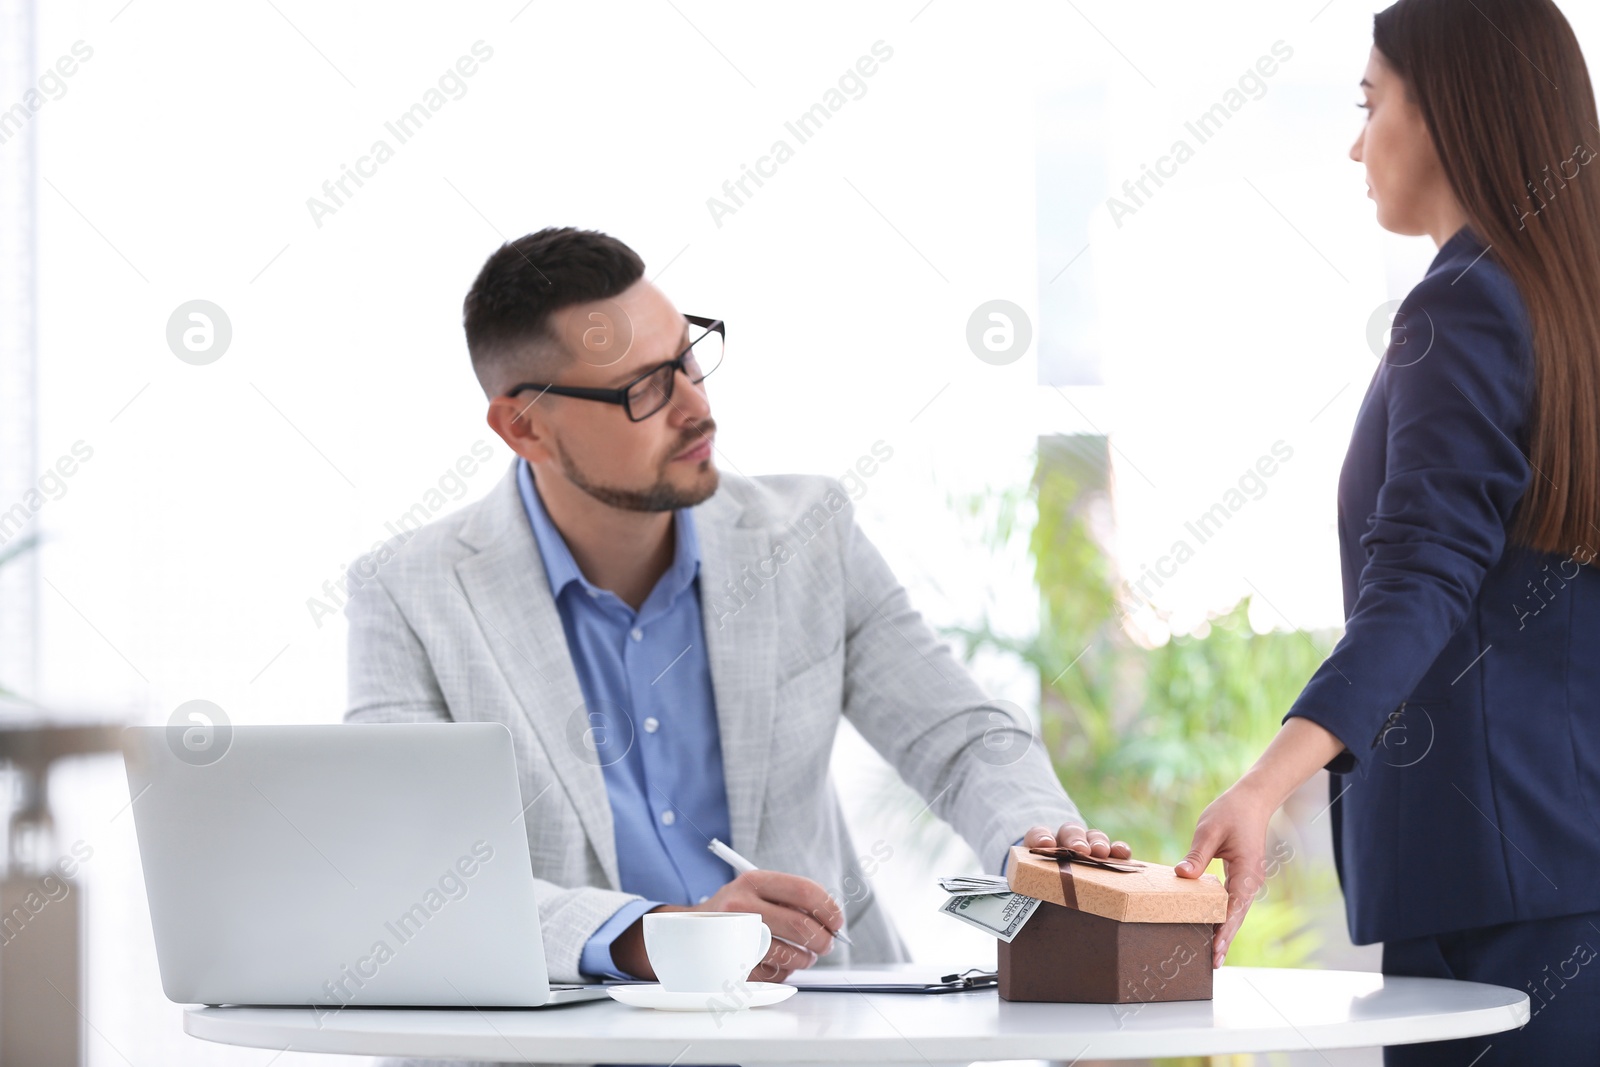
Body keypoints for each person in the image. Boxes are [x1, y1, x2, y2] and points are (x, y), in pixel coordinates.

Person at [343, 225, 1129, 989]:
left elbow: (958, 740)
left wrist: (1037, 842)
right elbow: (407, 869)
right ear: (525, 426)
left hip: (815, 1030)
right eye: (644, 388)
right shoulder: (410, 591)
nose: (695, 407)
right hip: (564, 1045)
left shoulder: (808, 534)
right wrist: (654, 935)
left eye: (689, 359)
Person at [1175, 0, 1600, 1062]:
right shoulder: (1567, 309)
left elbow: (1420, 575)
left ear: (1449, 110)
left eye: (1370, 105)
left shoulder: (1461, 303)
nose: (1354, 142)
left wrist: (1262, 785)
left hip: (1492, 887)